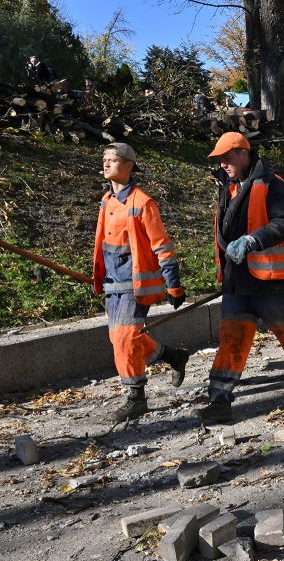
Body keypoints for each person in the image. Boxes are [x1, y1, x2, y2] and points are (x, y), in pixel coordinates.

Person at [194, 132, 284, 424]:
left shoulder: (272, 184)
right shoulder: (228, 187)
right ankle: (219, 400)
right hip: (238, 281)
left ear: (244, 153)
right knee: (231, 339)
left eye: (227, 158)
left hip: (270, 281)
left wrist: (251, 241)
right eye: (219, 160)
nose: (223, 164)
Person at [93, 143, 190, 422]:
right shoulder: (107, 201)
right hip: (112, 283)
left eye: (113, 160)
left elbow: (162, 246)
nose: (107, 164)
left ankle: (136, 398)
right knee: (122, 338)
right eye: (105, 160)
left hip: (135, 285)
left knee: (125, 340)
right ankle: (173, 356)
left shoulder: (143, 203)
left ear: (129, 166)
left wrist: (173, 284)